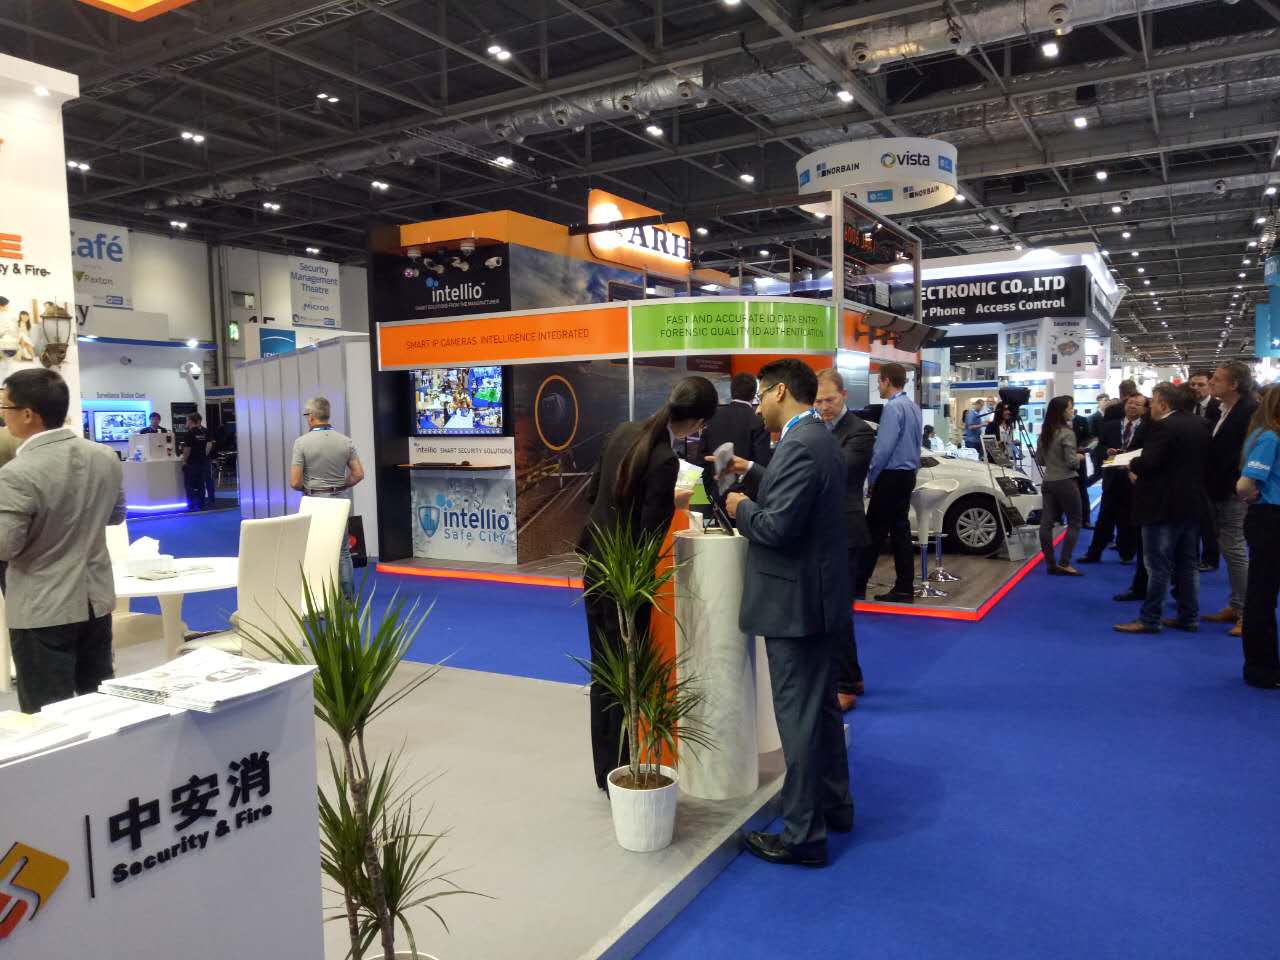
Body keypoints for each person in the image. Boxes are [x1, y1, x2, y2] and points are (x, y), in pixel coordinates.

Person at [718, 359, 853, 867]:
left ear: (779, 392)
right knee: (821, 711)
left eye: (759, 397)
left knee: (798, 720)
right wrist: (752, 471)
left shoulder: (799, 443)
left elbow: (776, 528)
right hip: (818, 598)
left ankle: (803, 836)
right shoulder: (816, 437)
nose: (756, 408)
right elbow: (799, 492)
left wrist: (740, 508)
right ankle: (836, 806)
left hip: (795, 604)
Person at [579, 377, 718, 791]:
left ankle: (607, 771)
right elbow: (649, 537)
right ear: (698, 423)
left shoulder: (623, 432)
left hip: (596, 566)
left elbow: (592, 494)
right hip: (627, 582)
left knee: (604, 671)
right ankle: (624, 773)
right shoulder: (664, 460)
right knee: (627, 675)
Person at [0, 369, 126, 713]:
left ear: (28, 414)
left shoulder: (15, 474)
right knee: (99, 706)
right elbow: (116, 516)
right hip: (95, 600)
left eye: (5, 407)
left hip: (42, 608)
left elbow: (6, 546)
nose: (3, 416)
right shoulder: (105, 456)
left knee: (47, 719)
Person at [1115, 383, 1207, 634]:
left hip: (1161, 505)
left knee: (1157, 565)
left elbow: (1149, 463)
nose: (1150, 407)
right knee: (1187, 565)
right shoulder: (1200, 423)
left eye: (1153, 402)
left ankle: (1150, 619)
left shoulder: (1163, 426)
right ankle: (1189, 616)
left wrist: (1132, 464)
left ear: (1164, 404)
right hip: (1191, 503)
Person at [813, 368, 874, 711]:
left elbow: (838, 471)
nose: (824, 407)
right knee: (834, 611)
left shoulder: (859, 431)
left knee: (838, 612)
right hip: (822, 531)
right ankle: (853, 677)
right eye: (818, 401)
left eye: (830, 400)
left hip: (847, 532)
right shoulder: (815, 429)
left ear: (844, 396)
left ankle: (846, 684)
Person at [1201, 362, 1259, 637]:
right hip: (1221, 488)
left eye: (1217, 379)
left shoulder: (1249, 410)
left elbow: (1245, 453)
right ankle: (1236, 605)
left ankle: (1247, 612)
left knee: (1235, 550)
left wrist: (1238, 486)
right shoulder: (1225, 409)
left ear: (1234, 384)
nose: (1211, 382)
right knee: (1230, 548)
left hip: (1234, 491)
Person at [856, 363, 922, 603]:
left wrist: (871, 477)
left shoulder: (893, 408)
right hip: (907, 475)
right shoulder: (913, 407)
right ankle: (904, 587)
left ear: (886, 380)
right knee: (900, 531)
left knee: (873, 532)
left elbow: (883, 448)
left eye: (879, 382)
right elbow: (917, 443)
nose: (879, 387)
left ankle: (857, 586)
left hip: (890, 475)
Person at [289, 396, 366, 602]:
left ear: (311, 417)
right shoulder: (345, 441)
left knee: (313, 550)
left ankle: (318, 600)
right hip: (339, 500)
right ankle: (348, 600)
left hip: (314, 501)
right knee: (343, 552)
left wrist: (310, 488)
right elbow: (358, 474)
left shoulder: (301, 443)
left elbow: (295, 482)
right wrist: (341, 486)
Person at [1236, 386, 1280, 689]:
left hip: (1271, 518)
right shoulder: (1270, 437)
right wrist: (1252, 497)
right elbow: (1244, 484)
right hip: (1270, 520)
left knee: (1264, 592)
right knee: (1262, 595)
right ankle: (1261, 668)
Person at [1079, 393, 1148, 565]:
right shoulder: (1110, 426)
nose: (1132, 406)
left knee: (1129, 518)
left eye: (1137, 404)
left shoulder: (1149, 428)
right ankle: (1094, 553)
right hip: (1112, 477)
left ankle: (1127, 553)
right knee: (1104, 517)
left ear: (1144, 409)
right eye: (1130, 402)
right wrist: (1106, 452)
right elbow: (1099, 447)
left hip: (1133, 478)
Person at [699, 372, 771, 498]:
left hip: (716, 494)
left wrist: (706, 495)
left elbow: (701, 461)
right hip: (746, 498)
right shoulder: (758, 422)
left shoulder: (711, 419)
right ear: (754, 394)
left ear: (731, 391)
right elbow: (762, 464)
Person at [1036, 396, 1085, 576]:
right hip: (1065, 481)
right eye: (1070, 408)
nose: (1072, 411)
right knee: (1075, 522)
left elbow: (1040, 460)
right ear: (1062, 411)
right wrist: (1079, 457)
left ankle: (1050, 563)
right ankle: (1064, 563)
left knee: (1046, 523)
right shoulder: (1066, 433)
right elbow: (1072, 462)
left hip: (1048, 481)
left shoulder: (1045, 433)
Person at [1189, 370, 1220, 571]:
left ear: (1210, 386)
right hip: (1188, 471)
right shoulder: (1186, 407)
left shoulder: (1219, 408)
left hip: (1210, 471)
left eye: (1200, 384)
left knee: (1209, 520)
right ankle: (1191, 556)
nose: (1196, 388)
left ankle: (1210, 558)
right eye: (1193, 384)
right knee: (1189, 519)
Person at [181, 412, 210, 511]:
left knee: (189, 485)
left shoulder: (189, 434)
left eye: (187, 420)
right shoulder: (202, 433)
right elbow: (206, 447)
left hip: (192, 463)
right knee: (200, 485)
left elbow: (187, 449)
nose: (186, 422)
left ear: (190, 421)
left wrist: (184, 461)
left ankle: (191, 506)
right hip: (202, 462)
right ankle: (201, 505)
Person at [1071, 405, 1095, 527]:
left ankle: (1085, 519)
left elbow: (1090, 439)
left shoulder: (1081, 420)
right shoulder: (1056, 424)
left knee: (1082, 489)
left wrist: (1084, 448)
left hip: (1079, 460)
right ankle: (1058, 518)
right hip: (1063, 463)